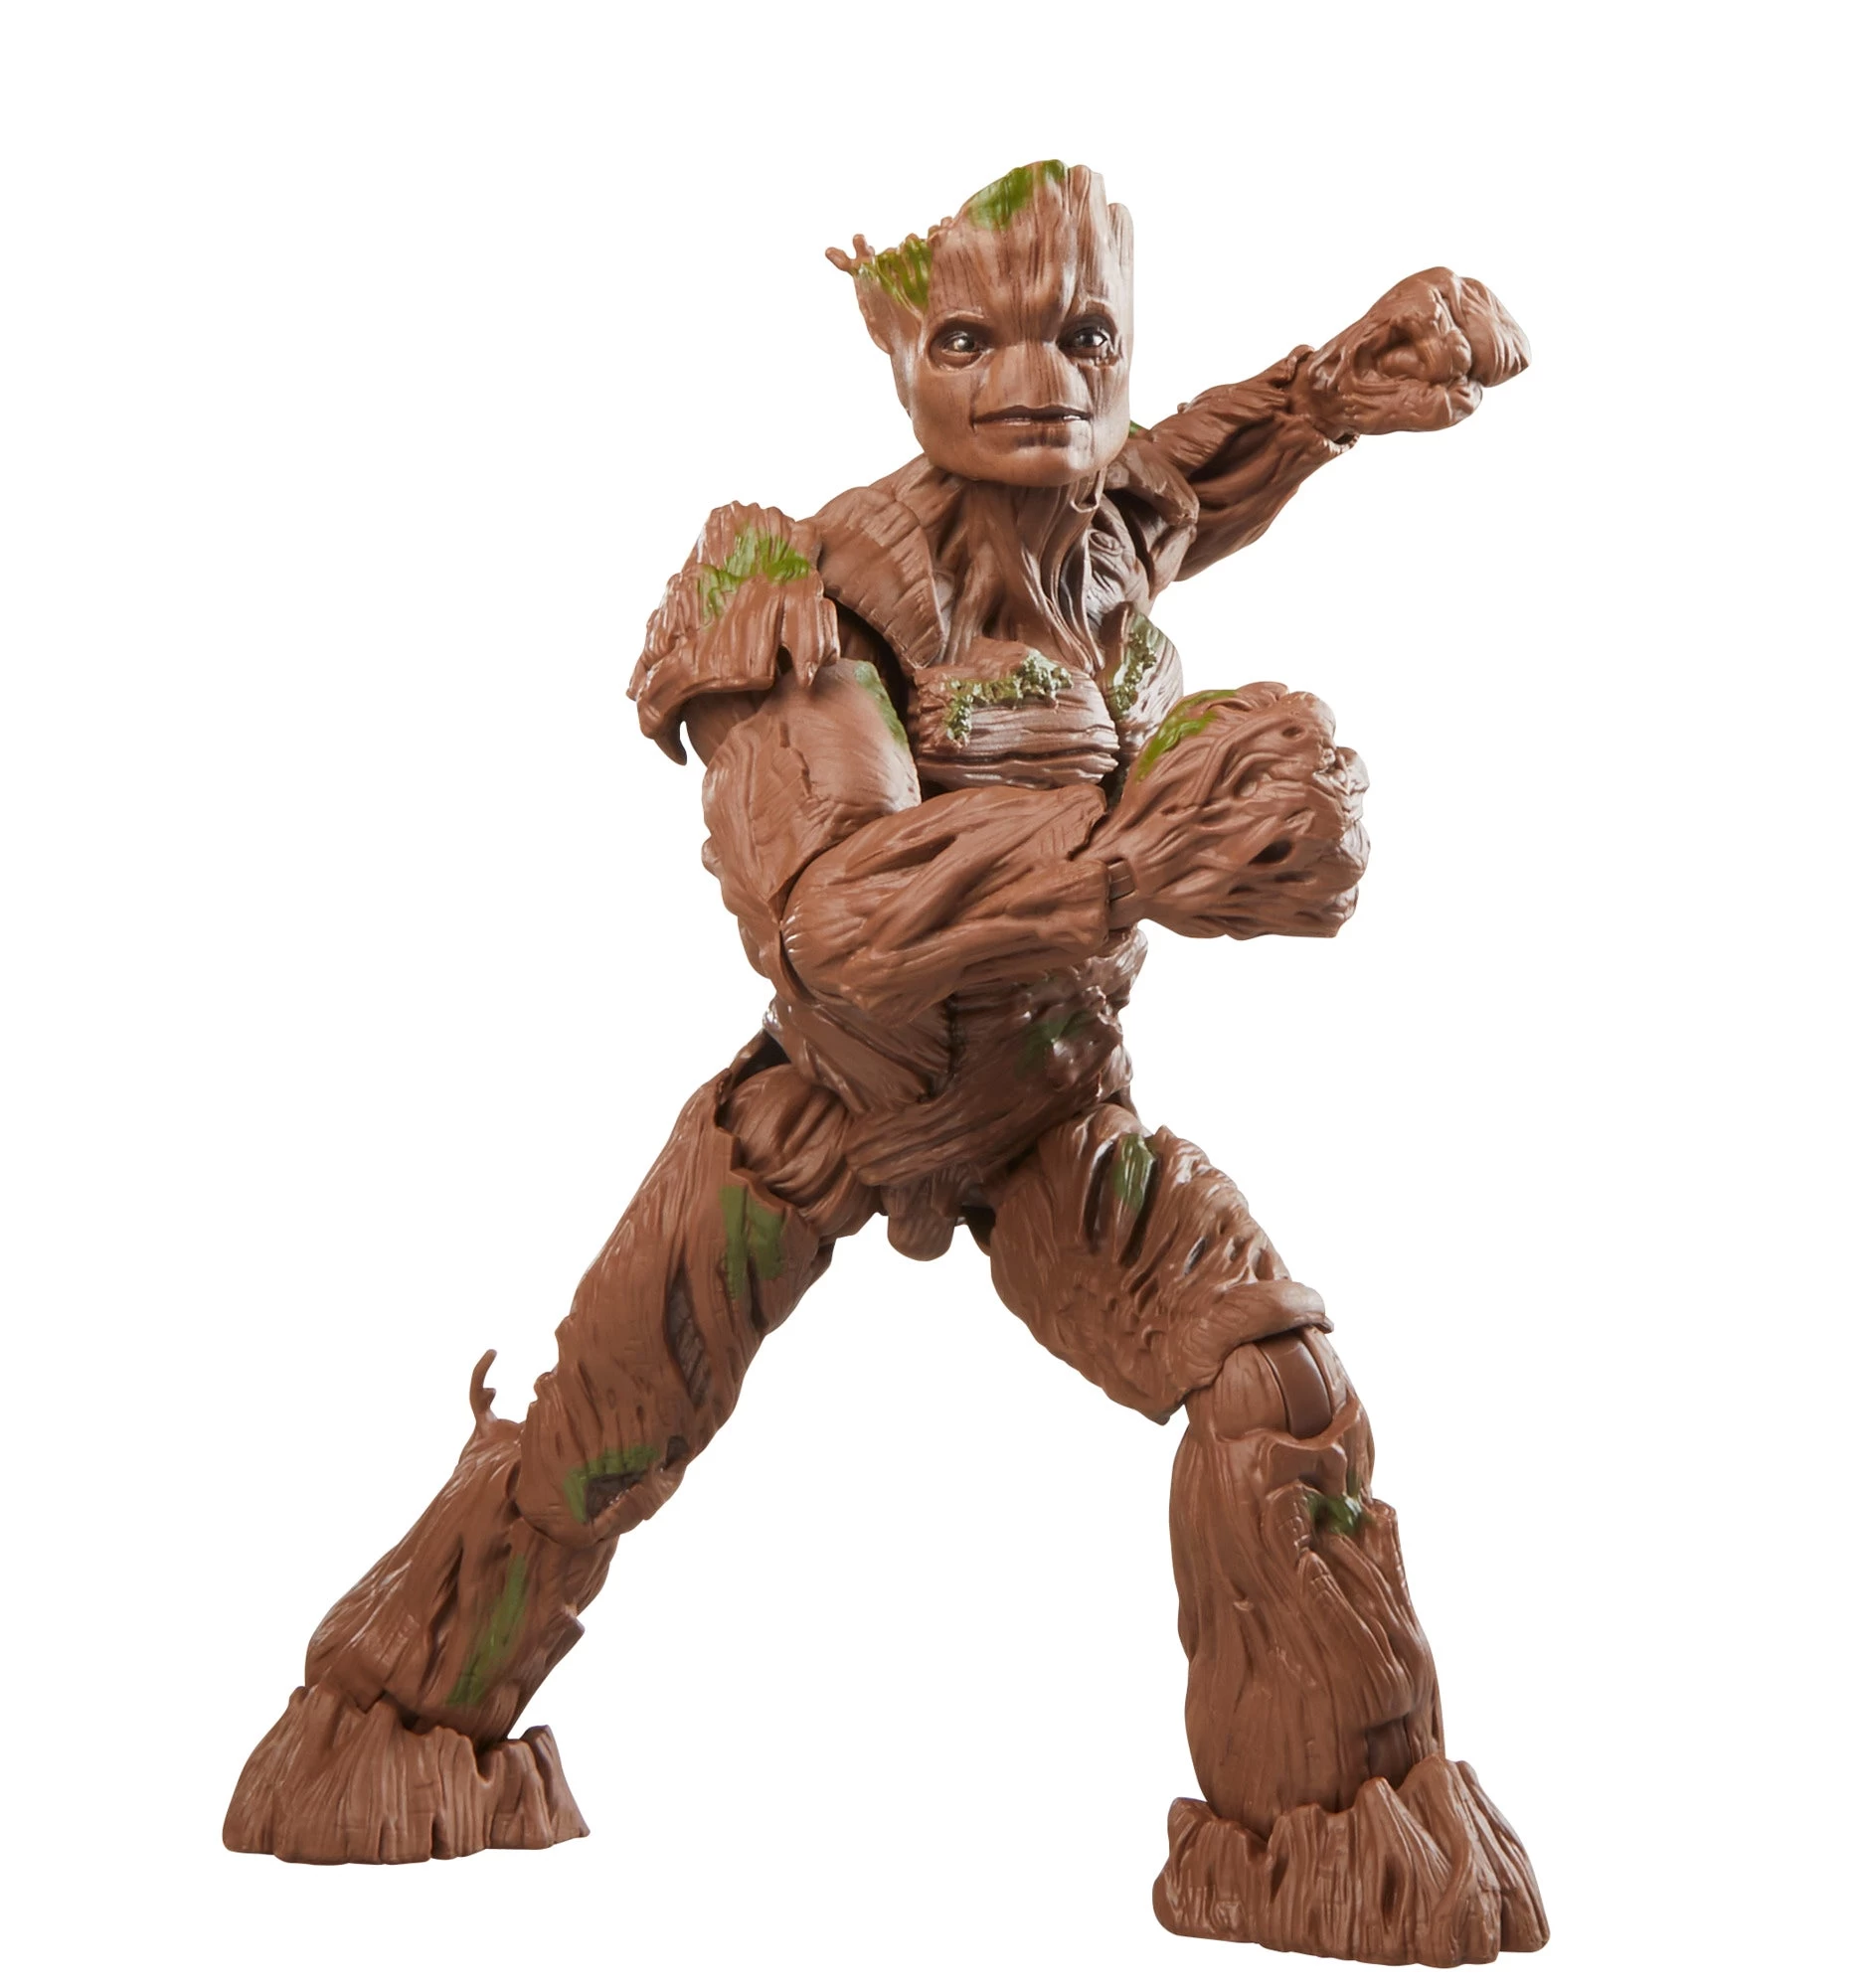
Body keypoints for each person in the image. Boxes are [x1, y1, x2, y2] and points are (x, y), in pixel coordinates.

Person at [226, 160, 1543, 1966]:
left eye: (1088, 338)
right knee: (598, 1443)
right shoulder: (795, 580)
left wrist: (1345, 385)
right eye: (973, 338)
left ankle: (1329, 1839)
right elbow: (828, 908)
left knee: (1269, 1383)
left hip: (1058, 1112)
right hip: (831, 1106)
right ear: (896, 344)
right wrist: (1139, 854)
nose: (1043, 383)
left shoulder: (1101, 532)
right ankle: (385, 1741)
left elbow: (1199, 469)